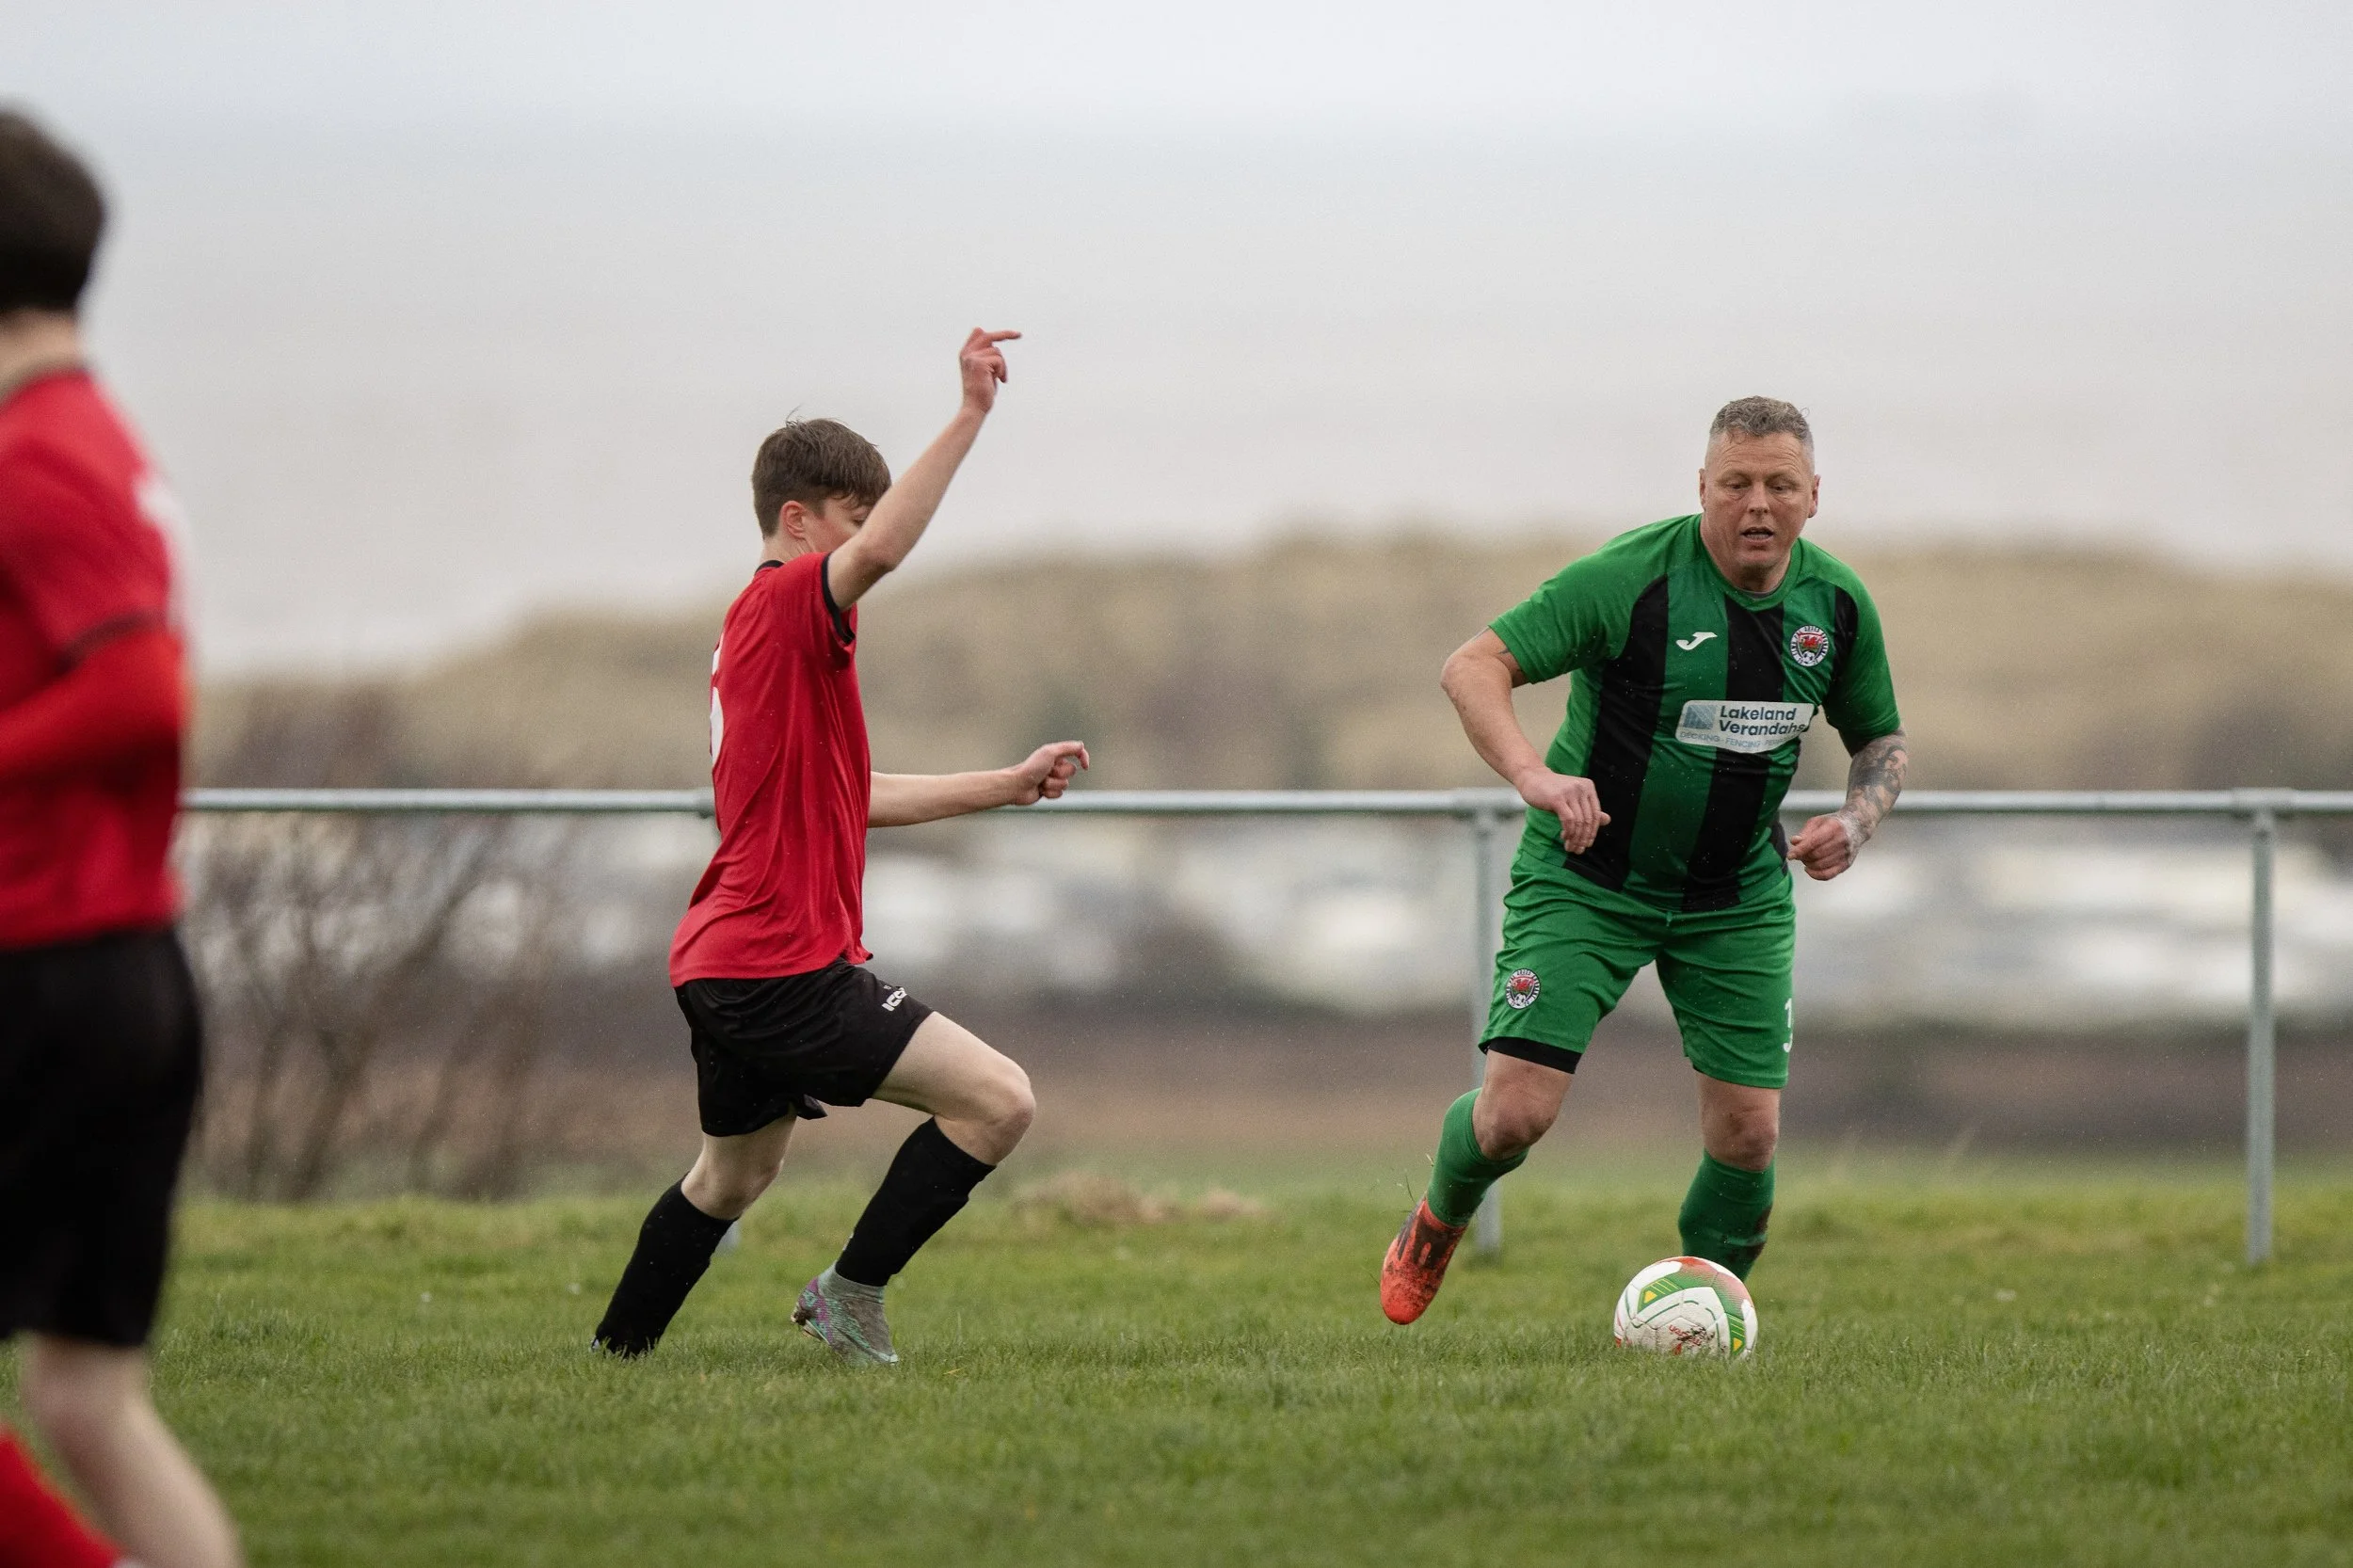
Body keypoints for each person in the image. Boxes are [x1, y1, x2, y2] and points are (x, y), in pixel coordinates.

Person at [593, 329, 1085, 1367]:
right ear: (797, 519)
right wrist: (968, 416)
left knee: (727, 1181)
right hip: (779, 967)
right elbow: (888, 551)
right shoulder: (783, 602)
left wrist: (1001, 785)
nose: (861, 544)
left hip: (720, 963)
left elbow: (850, 797)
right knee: (1000, 1101)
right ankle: (848, 1293)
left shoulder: (755, 639)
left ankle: (614, 1359)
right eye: (848, 521)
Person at [1381, 397, 1908, 1324]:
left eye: (1778, 486)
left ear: (1812, 497)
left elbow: (1881, 743)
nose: (1756, 505)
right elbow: (1474, 665)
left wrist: (1857, 822)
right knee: (1513, 1118)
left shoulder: (1836, 605)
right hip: (1588, 877)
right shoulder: (1630, 580)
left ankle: (1699, 1318)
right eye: (1735, 484)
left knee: (1748, 1134)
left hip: (1736, 895)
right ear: (1700, 487)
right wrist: (1534, 774)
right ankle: (1436, 1217)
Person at [0, 109, 244, 1568]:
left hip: (43, 975)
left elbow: (139, 692)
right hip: (127, 974)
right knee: (90, 1402)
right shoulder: (100, 438)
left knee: (87, 1399)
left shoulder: (37, 458)